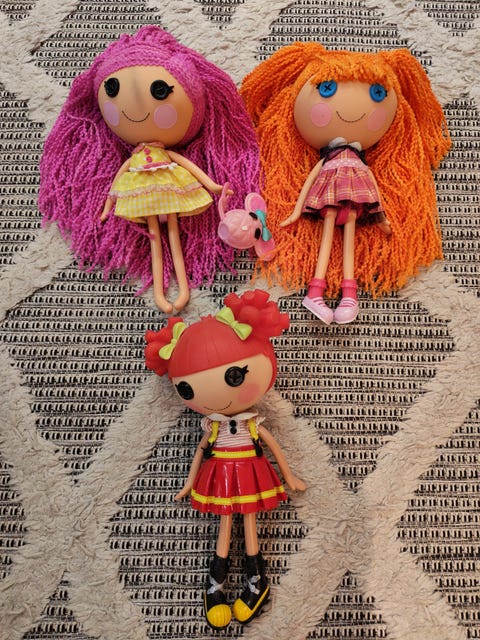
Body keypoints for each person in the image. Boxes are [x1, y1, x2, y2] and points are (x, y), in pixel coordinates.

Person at [39, 25, 259, 313]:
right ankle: (161, 291)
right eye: (112, 89)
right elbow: (118, 180)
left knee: (169, 234)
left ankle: (179, 286)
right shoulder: (134, 158)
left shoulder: (164, 154)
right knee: (155, 234)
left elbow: (187, 165)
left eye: (159, 91)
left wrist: (214, 186)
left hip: (169, 191)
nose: (135, 108)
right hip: (144, 196)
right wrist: (107, 206)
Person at [241, 43, 450, 324]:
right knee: (327, 238)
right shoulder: (328, 160)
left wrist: (382, 217)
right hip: (327, 201)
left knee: (348, 239)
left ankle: (349, 294)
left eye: (378, 94)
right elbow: (311, 179)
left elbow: (373, 187)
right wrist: (296, 211)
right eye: (326, 89)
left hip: (355, 203)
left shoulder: (360, 163)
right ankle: (315, 291)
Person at [145, 289, 306, 629]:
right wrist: (189, 483)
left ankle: (256, 580)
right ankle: (215, 584)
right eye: (187, 390)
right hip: (221, 471)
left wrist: (289, 476)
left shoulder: (251, 424)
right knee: (225, 524)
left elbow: (271, 444)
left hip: (249, 469)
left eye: (235, 376)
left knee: (248, 523)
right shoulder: (214, 427)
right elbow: (201, 450)